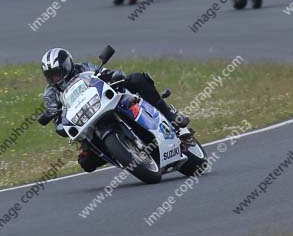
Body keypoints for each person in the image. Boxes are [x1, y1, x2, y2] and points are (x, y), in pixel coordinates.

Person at [38, 48, 189, 172]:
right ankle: (125, 153)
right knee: (86, 163)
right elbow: (56, 119)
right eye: (50, 76)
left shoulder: (82, 68)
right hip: (86, 122)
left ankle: (171, 116)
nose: (54, 78)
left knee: (137, 79)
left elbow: (104, 73)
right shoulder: (50, 93)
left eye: (57, 73)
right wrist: (58, 124)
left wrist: (113, 75)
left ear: (66, 65)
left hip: (106, 101)